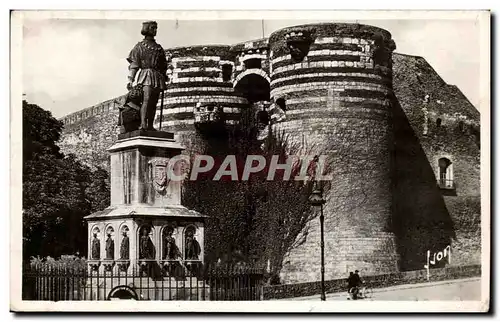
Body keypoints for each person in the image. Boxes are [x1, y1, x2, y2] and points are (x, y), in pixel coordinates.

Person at [126, 21, 168, 131]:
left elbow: (163, 65)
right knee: (146, 99)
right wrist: (131, 79)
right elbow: (134, 64)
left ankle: (150, 125)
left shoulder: (159, 48)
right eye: (153, 28)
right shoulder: (139, 46)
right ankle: (143, 124)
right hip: (145, 75)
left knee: (154, 102)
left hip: (157, 77)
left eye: (156, 28)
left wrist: (164, 75)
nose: (155, 30)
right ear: (147, 29)